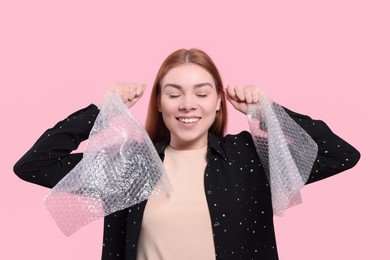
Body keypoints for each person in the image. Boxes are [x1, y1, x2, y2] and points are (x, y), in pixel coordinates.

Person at [14, 48, 360, 260]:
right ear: (160, 104)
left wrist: (267, 111)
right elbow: (35, 165)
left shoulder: (249, 157)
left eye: (201, 92)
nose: (188, 104)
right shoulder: (132, 163)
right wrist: (101, 110)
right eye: (174, 93)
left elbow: (340, 155)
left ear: (218, 102)